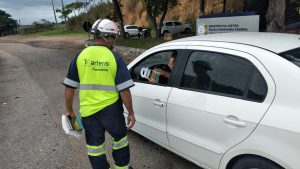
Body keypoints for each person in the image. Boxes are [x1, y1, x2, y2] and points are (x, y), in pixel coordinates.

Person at [63, 19, 135, 169]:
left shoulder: (80, 55)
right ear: (106, 36)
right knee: (120, 140)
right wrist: (131, 113)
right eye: (113, 37)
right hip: (112, 110)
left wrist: (69, 110)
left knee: (95, 148)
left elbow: (69, 87)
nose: (113, 41)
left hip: (88, 112)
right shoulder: (114, 58)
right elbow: (124, 90)